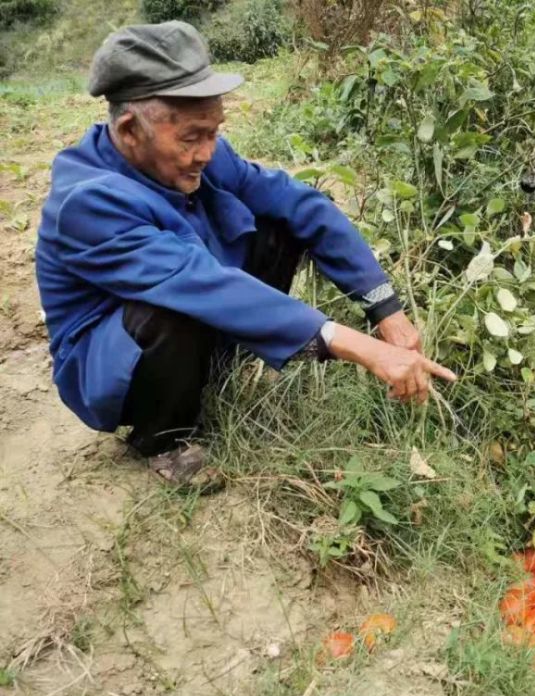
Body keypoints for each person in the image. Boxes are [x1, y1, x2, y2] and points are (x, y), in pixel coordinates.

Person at [35, 21, 456, 482]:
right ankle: (162, 438)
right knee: (168, 308)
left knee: (280, 221)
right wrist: (363, 349)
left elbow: (304, 205)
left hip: (202, 306)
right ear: (131, 130)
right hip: (117, 359)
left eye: (214, 132)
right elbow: (199, 284)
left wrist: (385, 310)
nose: (207, 152)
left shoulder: (204, 156)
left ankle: (222, 364)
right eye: (192, 137)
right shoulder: (88, 202)